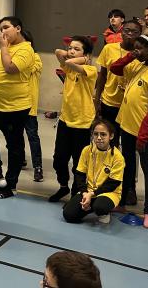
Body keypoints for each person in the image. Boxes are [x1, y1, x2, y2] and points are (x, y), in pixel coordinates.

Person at [110, 34, 148, 228]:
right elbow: (115, 68)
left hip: (142, 131)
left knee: (147, 169)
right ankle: (122, 202)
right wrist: (130, 56)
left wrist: (144, 135)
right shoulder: (137, 64)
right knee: (127, 165)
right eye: (135, 48)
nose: (136, 51)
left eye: (140, 48)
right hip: (126, 125)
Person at [0, 16, 36, 199]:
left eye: (6, 27)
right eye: (1, 29)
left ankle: (10, 185)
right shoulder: (8, 47)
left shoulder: (26, 50)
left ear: (18, 28)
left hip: (14, 108)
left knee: (14, 146)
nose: (3, 32)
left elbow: (10, 68)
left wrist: (3, 47)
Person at [49, 36, 98, 203]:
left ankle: (77, 193)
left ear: (86, 54)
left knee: (79, 162)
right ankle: (63, 186)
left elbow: (69, 61)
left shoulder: (90, 70)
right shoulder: (69, 68)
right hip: (65, 120)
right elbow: (58, 52)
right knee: (59, 159)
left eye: (77, 49)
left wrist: (84, 59)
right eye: (70, 48)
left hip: (83, 122)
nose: (71, 51)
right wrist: (77, 55)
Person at [62, 118, 125, 224]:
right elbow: (80, 174)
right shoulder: (87, 150)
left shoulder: (117, 157)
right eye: (96, 134)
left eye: (103, 134)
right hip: (88, 191)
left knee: (100, 207)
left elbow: (113, 183)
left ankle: (103, 212)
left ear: (111, 136)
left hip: (109, 193)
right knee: (69, 215)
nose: (99, 138)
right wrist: (84, 193)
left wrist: (92, 194)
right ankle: (89, 205)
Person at [94, 20, 143, 142]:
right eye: (127, 30)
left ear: (140, 34)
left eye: (134, 32)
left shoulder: (142, 54)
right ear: (121, 32)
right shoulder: (109, 48)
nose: (130, 34)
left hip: (130, 104)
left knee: (128, 142)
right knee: (110, 140)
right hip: (109, 101)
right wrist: (97, 99)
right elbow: (102, 75)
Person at [24, 34, 44, 182]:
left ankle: (38, 166)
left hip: (29, 105)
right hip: (14, 104)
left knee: (32, 136)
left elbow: (26, 69)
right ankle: (20, 159)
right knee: (14, 135)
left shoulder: (35, 57)